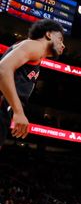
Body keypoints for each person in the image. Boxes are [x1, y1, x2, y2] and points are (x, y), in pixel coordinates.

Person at [0, 19, 66, 147]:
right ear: (48, 34)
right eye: (60, 39)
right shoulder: (36, 46)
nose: (63, 45)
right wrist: (19, 111)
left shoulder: (35, 54)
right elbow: (3, 69)